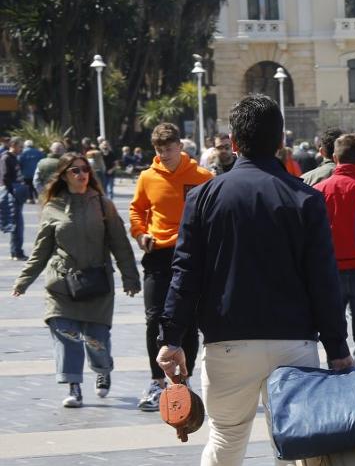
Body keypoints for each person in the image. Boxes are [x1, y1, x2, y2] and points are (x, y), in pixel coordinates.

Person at [157, 94, 352, 466]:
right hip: (294, 340)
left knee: (226, 435)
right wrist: (339, 347)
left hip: (228, 338)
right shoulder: (304, 198)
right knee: (293, 447)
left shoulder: (205, 197)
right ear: (281, 140)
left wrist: (172, 337)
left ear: (233, 141)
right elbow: (324, 280)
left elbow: (186, 274)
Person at [11, 153, 140, 407]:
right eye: (75, 171)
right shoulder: (53, 207)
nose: (82, 175)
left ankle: (102, 369)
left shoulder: (103, 205)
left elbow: (120, 245)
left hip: (97, 284)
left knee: (96, 340)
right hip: (61, 284)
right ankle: (74, 386)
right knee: (66, 334)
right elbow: (41, 250)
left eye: (85, 170)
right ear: (64, 176)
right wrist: (23, 281)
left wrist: (130, 277)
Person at [128, 123, 214, 411]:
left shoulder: (202, 176)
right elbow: (136, 209)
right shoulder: (147, 177)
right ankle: (156, 381)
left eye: (168, 148)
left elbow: (212, 214)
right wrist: (140, 233)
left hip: (190, 255)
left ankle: (183, 382)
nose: (164, 154)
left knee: (187, 321)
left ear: (181, 146)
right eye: (159, 149)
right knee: (154, 318)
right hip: (158, 254)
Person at [314, 133, 355, 375]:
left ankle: (339, 379)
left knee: (334, 334)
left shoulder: (319, 191)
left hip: (331, 270)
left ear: (334, 157)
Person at [1, 137, 26, 260]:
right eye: (20, 146)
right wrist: (13, 191)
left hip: (15, 193)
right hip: (12, 194)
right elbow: (5, 177)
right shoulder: (6, 158)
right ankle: (16, 252)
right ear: (13, 145)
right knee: (16, 224)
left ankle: (16, 251)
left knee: (17, 224)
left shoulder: (13, 157)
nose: (21, 149)